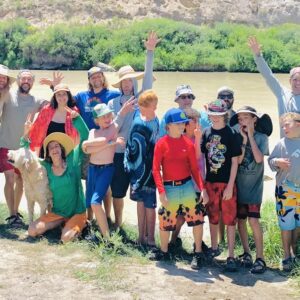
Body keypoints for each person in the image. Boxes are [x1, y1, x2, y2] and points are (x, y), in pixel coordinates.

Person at [107, 31, 159, 229]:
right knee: (118, 192)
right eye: (124, 81)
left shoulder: (142, 99)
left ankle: (144, 235)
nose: (127, 84)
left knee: (142, 197)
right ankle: (119, 226)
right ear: (120, 84)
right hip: (120, 153)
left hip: (141, 156)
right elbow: (112, 129)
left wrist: (150, 52)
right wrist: (123, 111)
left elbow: (148, 77)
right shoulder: (112, 103)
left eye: (130, 80)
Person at [151, 108, 209, 270]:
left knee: (197, 218)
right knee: (165, 220)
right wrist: (161, 191)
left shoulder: (188, 143)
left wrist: (202, 189)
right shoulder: (161, 144)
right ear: (168, 125)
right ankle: (164, 251)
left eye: (183, 123)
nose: (182, 126)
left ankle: (197, 253)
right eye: (178, 124)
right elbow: (156, 169)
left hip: (188, 186)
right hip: (170, 188)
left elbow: (194, 169)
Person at [159, 84, 210, 248]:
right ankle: (172, 242)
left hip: (197, 178)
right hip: (176, 179)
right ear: (177, 99)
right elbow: (163, 145)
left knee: (196, 214)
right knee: (176, 215)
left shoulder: (200, 116)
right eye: (183, 97)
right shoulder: (168, 117)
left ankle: (197, 246)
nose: (187, 100)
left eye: (190, 96)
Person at [27, 108, 89, 242]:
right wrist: (25, 133)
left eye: (57, 146)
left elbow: (85, 136)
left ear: (61, 149)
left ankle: (82, 225)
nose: (54, 149)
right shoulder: (46, 167)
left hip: (77, 212)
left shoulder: (73, 160)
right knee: (32, 231)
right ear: (48, 153)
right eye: (50, 147)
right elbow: (28, 155)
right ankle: (62, 224)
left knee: (66, 239)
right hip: (58, 213)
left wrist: (77, 119)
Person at [0, 69, 52, 227]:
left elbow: (56, 103)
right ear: (17, 80)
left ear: (32, 83)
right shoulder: (7, 95)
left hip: (23, 149)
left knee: (20, 180)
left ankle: (16, 212)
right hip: (5, 145)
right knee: (9, 178)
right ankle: (12, 214)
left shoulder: (36, 100)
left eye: (29, 79)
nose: (26, 82)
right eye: (23, 79)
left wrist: (53, 86)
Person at [230, 106, 273, 274]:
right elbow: (239, 161)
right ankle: (247, 252)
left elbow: (259, 158)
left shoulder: (262, 138)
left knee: (253, 221)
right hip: (239, 188)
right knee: (240, 220)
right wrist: (243, 140)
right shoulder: (238, 137)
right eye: (240, 119)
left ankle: (260, 257)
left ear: (254, 119)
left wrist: (251, 137)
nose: (242, 121)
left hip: (255, 189)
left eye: (246, 118)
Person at [201, 99, 242, 272]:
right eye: (212, 115)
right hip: (210, 182)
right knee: (213, 217)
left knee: (230, 219)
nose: (215, 118)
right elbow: (202, 162)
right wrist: (203, 187)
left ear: (225, 115)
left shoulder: (232, 134)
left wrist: (230, 186)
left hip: (227, 183)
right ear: (208, 115)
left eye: (219, 115)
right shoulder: (205, 132)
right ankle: (214, 248)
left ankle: (231, 255)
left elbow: (234, 163)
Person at [82, 103, 124, 239]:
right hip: (92, 169)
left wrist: (90, 144)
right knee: (90, 200)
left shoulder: (113, 127)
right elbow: (87, 150)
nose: (107, 118)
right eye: (103, 116)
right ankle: (93, 226)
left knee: (95, 202)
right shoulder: (92, 132)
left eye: (108, 115)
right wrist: (109, 144)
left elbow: (92, 146)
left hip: (106, 169)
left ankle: (107, 238)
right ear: (96, 120)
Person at [124, 90, 159, 247]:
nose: (155, 108)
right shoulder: (138, 119)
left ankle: (150, 238)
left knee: (150, 204)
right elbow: (130, 144)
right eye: (152, 105)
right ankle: (141, 237)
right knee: (140, 202)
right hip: (136, 169)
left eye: (155, 105)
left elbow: (156, 147)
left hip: (150, 170)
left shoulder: (156, 122)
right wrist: (129, 163)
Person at [248, 36, 300, 136]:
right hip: (285, 144)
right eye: (295, 80)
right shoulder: (282, 93)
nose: (298, 83)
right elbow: (268, 75)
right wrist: (258, 55)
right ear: (290, 81)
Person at [268, 112, 300, 271]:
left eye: (287, 124)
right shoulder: (281, 143)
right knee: (286, 224)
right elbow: (270, 162)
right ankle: (286, 256)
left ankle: (294, 252)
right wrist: (278, 162)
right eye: (282, 125)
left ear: (298, 124)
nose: (284, 127)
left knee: (298, 223)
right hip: (285, 189)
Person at [28, 84, 79, 157]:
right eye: (58, 94)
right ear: (55, 97)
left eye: (64, 94)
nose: (61, 97)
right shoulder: (46, 110)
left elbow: (77, 136)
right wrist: (36, 154)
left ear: (68, 96)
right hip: (46, 151)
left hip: (65, 152)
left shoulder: (74, 111)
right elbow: (37, 133)